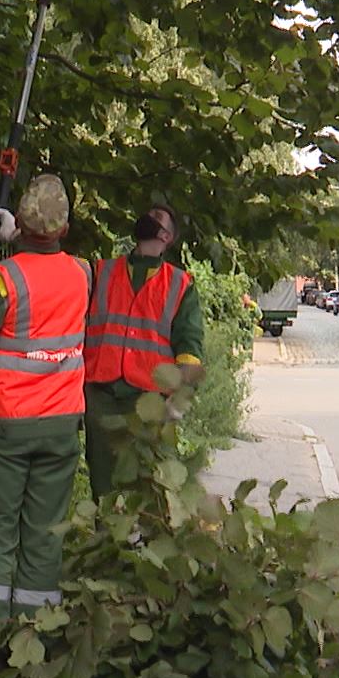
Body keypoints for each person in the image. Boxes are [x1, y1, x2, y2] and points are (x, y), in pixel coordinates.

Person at [0, 173, 91, 678]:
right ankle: (36, 648)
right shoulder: (83, 276)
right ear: (65, 227)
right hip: (60, 428)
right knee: (43, 536)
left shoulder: (1, 281)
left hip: (7, 426)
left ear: (20, 225)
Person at [81, 204, 204, 499]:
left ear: (166, 236)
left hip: (149, 402)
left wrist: (180, 397)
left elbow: (189, 345)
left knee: (146, 487)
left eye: (157, 218)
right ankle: (104, 542)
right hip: (101, 397)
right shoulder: (102, 271)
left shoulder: (179, 284)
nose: (147, 219)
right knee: (103, 485)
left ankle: (142, 543)